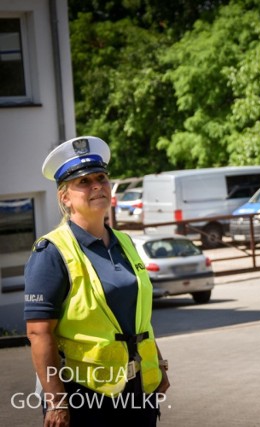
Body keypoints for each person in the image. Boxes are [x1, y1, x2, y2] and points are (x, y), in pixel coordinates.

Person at [24, 136, 170, 427]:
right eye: (84, 182)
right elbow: (39, 333)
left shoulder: (125, 242)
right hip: (83, 395)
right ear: (65, 197)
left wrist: (159, 365)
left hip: (137, 389)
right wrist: (56, 402)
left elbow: (138, 317)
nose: (96, 186)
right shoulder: (52, 251)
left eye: (101, 178)